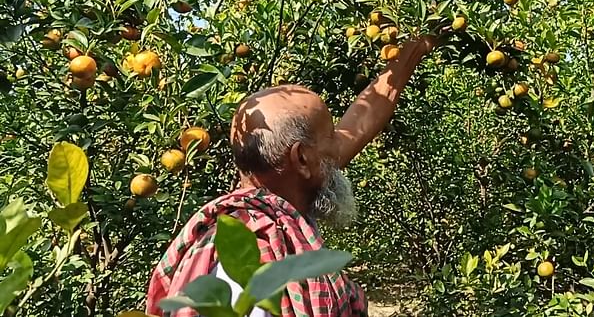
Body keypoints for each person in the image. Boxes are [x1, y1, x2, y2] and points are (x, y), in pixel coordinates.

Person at [145, 36, 436, 317]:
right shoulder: (249, 265)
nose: (341, 144)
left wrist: (414, 47)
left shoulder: (275, 200)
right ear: (301, 159)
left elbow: (360, 123)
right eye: (331, 136)